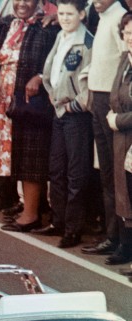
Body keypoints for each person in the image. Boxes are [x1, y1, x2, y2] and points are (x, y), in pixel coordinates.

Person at [0, 0, 59, 233]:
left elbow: (58, 59)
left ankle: (31, 214)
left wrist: (40, 76)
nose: (22, 3)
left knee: (31, 157)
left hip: (31, 103)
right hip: (3, 101)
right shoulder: (5, 24)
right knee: (12, 155)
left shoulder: (48, 27)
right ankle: (23, 207)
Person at [36, 0, 94, 249]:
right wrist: (50, 91)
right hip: (59, 111)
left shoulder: (87, 42)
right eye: (61, 13)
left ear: (82, 14)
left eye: (70, 13)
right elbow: (51, 71)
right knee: (56, 169)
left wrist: (74, 105)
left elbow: (90, 82)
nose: (65, 18)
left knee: (76, 173)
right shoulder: (61, 36)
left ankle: (73, 229)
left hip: (75, 115)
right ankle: (58, 221)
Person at [81, 0, 127, 258]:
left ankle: (121, 239)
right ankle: (113, 234)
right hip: (98, 97)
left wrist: (113, 100)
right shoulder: (104, 16)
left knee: (116, 174)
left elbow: (125, 61)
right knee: (106, 172)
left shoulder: (120, 17)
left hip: (111, 101)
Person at [107, 12, 132, 267]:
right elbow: (115, 94)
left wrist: (118, 120)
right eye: (127, 33)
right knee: (123, 190)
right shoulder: (125, 59)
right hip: (122, 137)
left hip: (125, 129)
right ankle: (126, 246)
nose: (131, 38)